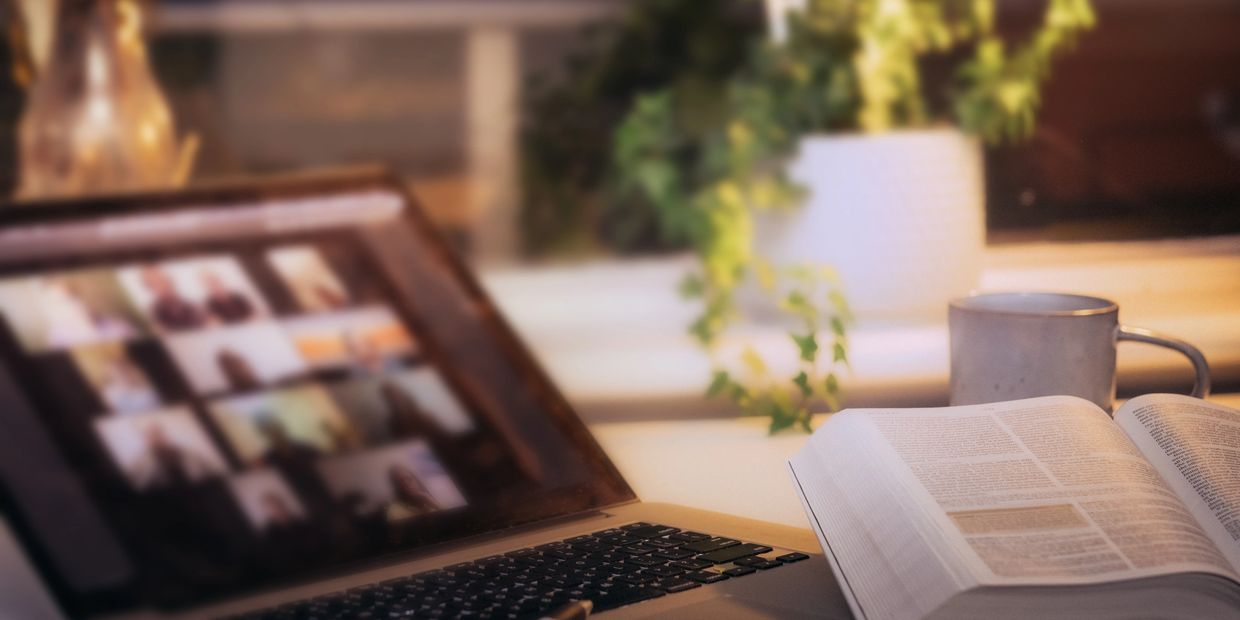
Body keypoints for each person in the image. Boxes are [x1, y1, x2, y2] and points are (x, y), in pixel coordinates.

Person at [127, 423, 220, 489]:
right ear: (147, 440)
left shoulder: (187, 453)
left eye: (158, 435)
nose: (156, 439)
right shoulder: (140, 461)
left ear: (164, 436)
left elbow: (211, 472)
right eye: (151, 436)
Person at [140, 265, 207, 331]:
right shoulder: (155, 309)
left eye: (162, 280)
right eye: (155, 283)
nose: (162, 285)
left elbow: (206, 321)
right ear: (150, 288)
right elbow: (160, 331)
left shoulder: (190, 302)